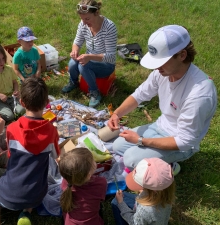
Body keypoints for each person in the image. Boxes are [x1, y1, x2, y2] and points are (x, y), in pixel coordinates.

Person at [108, 25, 217, 173]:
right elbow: (140, 94)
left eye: (161, 62)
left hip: (180, 144)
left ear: (182, 55)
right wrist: (117, 114)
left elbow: (185, 141)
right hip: (159, 127)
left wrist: (140, 141)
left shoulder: (200, 93)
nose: (156, 68)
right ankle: (156, 159)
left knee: (130, 159)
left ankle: (171, 166)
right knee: (118, 145)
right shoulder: (162, 73)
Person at [0, 77, 60, 225]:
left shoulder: (12, 128)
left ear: (22, 103)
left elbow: (9, 156)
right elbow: (56, 157)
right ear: (47, 103)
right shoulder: (51, 131)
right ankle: (26, 212)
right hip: (36, 197)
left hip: (8, 195)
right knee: (34, 187)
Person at [61, 0, 117, 108]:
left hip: (106, 65)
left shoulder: (109, 27)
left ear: (96, 13)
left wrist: (89, 57)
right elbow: (77, 42)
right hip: (89, 59)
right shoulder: (83, 24)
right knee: (72, 63)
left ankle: (95, 92)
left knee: (83, 66)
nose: (84, 22)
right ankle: (73, 82)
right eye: (82, 19)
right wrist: (75, 51)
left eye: (87, 19)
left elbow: (110, 57)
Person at [111, 158, 175, 225]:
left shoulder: (145, 210)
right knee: (123, 196)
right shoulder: (166, 192)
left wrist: (121, 203)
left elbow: (134, 222)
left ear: (149, 190)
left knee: (115, 202)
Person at [59, 147, 107, 225]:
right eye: (93, 161)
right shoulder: (100, 183)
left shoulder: (66, 182)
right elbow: (101, 199)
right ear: (88, 175)